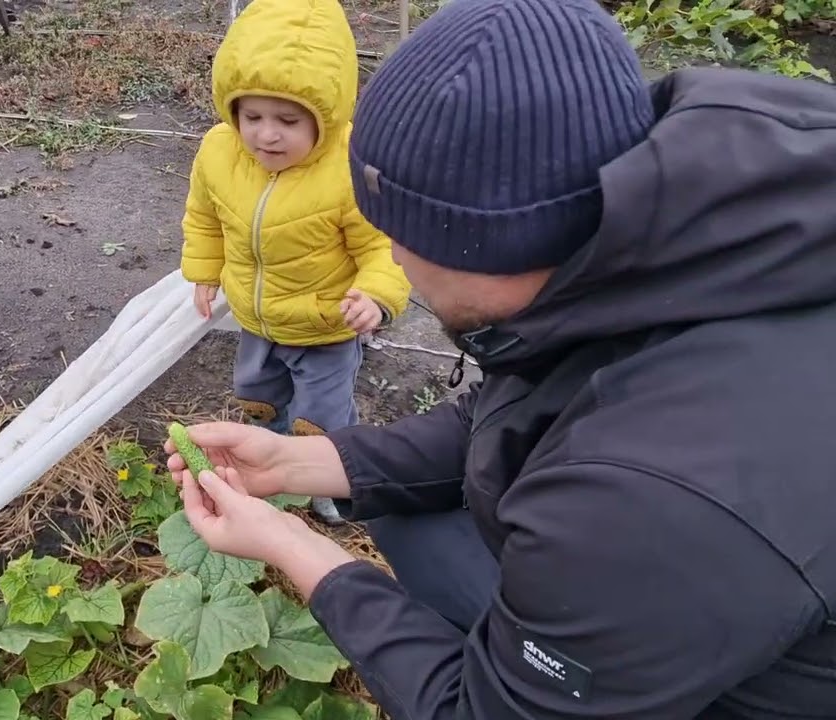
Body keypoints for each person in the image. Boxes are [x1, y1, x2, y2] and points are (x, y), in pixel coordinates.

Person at [166, 0, 836, 717]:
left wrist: (294, 548)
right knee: (400, 510)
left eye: (402, 231)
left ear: (487, 244)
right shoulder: (666, 238)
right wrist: (303, 463)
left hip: (728, 674)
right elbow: (529, 409)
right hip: (683, 595)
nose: (392, 256)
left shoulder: (651, 503)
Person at [177, 0, 412, 525]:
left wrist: (375, 294)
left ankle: (331, 476)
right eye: (252, 116)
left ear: (325, 116)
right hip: (256, 317)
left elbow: (383, 244)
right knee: (256, 392)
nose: (266, 135)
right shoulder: (219, 153)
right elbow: (204, 216)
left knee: (322, 416)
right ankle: (270, 448)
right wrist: (204, 271)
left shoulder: (348, 171)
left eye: (288, 119)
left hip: (326, 325)